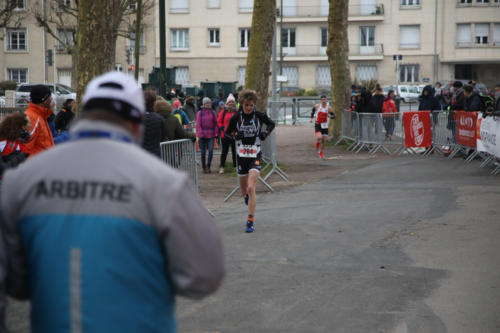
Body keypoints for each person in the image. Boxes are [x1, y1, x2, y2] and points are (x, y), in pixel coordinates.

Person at [0, 71, 224, 332]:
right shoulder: (165, 183)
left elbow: (14, 280)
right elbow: (204, 275)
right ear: (137, 123)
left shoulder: (23, 181)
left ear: (85, 114)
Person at [225, 90, 275, 233]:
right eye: (246, 105)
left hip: (255, 155)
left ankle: (250, 220)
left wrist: (265, 133)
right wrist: (235, 137)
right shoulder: (236, 118)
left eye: (251, 105)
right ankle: (247, 196)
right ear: (242, 104)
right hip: (241, 157)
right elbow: (226, 134)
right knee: (244, 191)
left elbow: (272, 124)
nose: (249, 108)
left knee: (251, 187)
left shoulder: (259, 116)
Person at [23, 84, 55, 155]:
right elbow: (26, 149)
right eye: (50, 96)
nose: (51, 99)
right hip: (38, 164)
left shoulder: (41, 116)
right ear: (44, 99)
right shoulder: (32, 118)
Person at [196, 97, 218, 173]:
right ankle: (204, 167)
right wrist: (200, 132)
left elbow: (215, 123)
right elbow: (198, 124)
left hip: (211, 135)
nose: (208, 104)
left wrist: (216, 132)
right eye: (207, 103)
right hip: (202, 135)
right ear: (204, 104)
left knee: (211, 150)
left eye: (209, 103)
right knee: (203, 152)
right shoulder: (200, 113)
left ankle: (208, 165)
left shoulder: (213, 112)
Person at [141, 89, 165, 157]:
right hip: (155, 155)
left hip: (141, 155)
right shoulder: (159, 118)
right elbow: (162, 136)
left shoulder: (137, 118)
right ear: (154, 102)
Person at [217, 93, 238, 174]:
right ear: (227, 103)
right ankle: (222, 166)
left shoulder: (236, 111)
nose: (231, 103)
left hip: (234, 135)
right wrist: (222, 127)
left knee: (235, 151)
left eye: (232, 102)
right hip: (225, 135)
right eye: (230, 102)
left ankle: (235, 166)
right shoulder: (223, 111)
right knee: (224, 152)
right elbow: (219, 121)